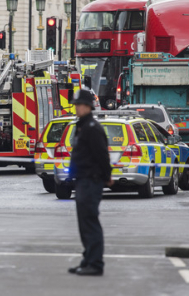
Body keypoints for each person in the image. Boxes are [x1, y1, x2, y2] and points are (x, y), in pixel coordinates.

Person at [67, 88, 113, 276]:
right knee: (83, 223)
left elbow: (102, 155)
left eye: (78, 105)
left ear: (87, 106)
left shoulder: (93, 128)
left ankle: (95, 264)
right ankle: (87, 260)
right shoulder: (82, 126)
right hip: (82, 180)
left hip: (90, 181)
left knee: (90, 221)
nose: (76, 108)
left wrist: (107, 176)